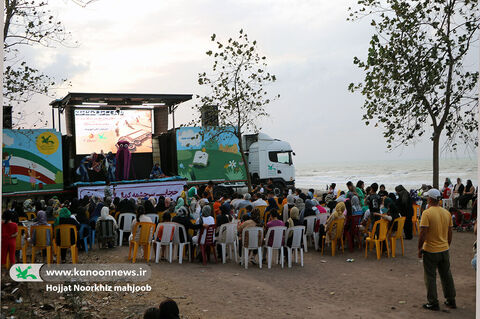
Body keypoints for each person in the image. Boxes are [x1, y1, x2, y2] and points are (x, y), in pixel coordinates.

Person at [418, 188, 456, 311]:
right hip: (444, 249)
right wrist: (447, 244)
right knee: (446, 275)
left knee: (430, 277)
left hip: (430, 250)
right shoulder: (446, 213)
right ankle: (451, 300)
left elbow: (423, 233)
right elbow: (450, 232)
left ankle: (433, 302)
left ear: (430, 199)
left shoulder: (427, 213)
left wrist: (419, 248)